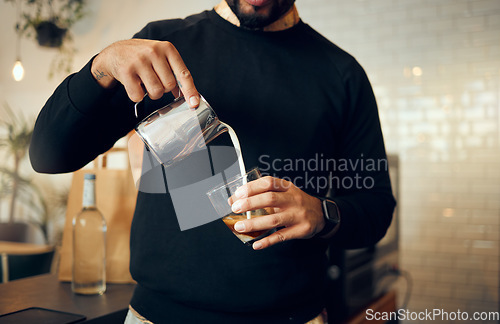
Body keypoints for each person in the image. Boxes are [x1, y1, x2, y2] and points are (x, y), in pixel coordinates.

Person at [29, 0, 396, 323]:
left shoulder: (341, 74)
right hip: (158, 317)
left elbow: (376, 209)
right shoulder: (162, 47)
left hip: (294, 316)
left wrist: (322, 213)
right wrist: (101, 67)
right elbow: (48, 155)